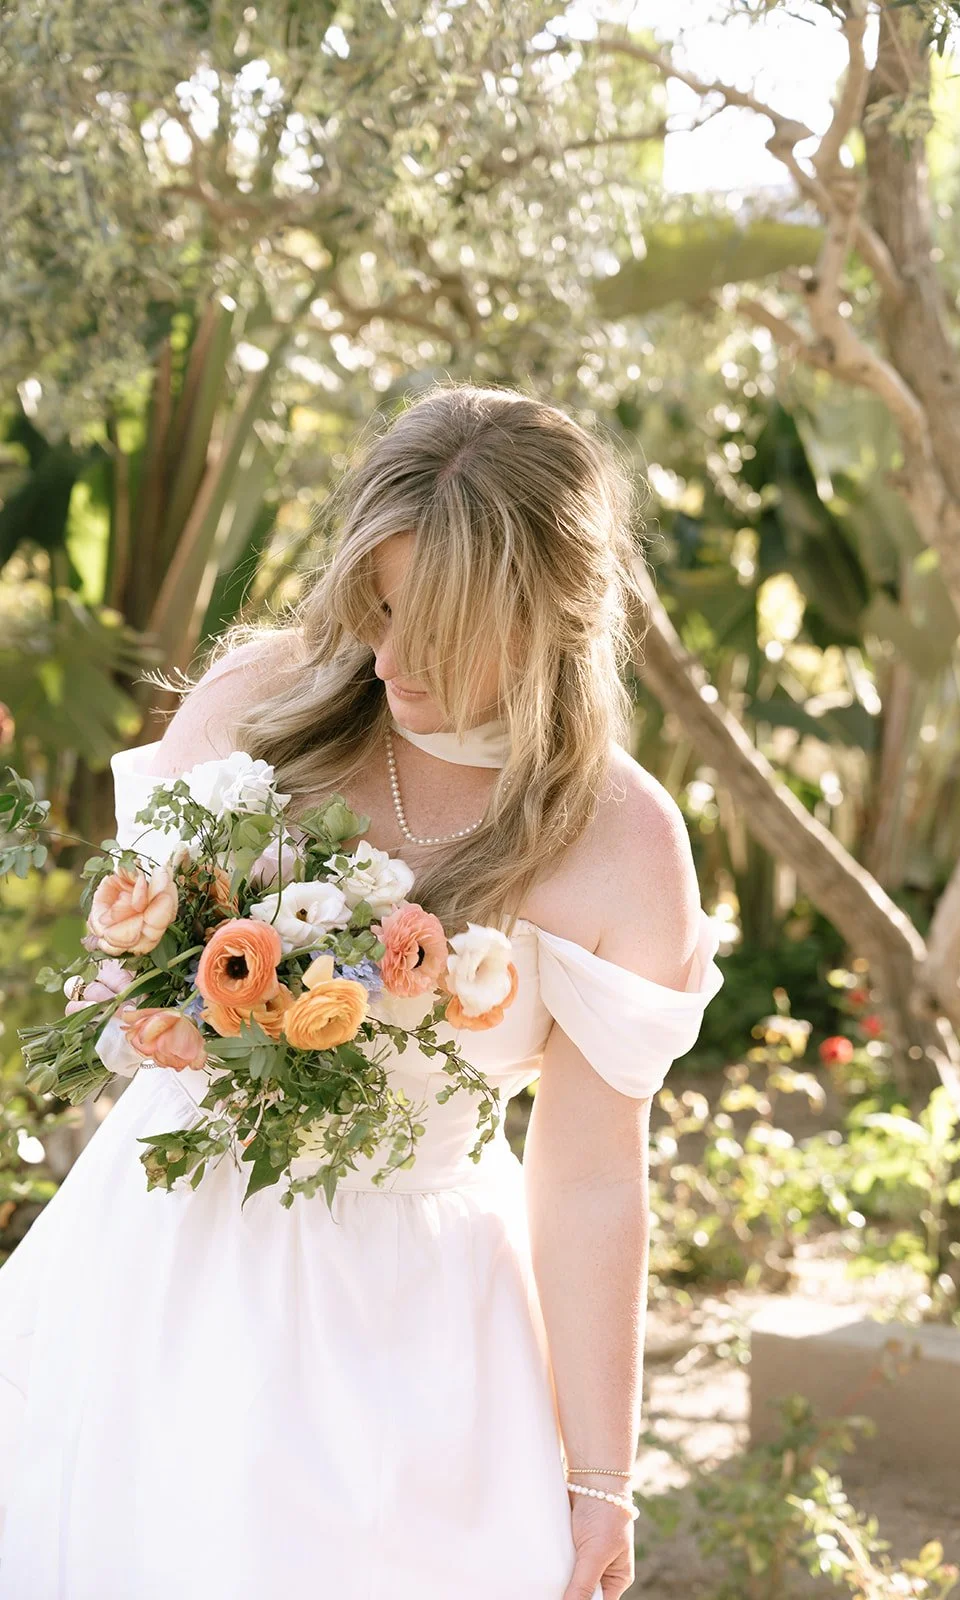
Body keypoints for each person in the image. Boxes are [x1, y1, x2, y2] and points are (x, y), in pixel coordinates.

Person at [0, 382, 724, 1599]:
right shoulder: (259, 709)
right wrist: (183, 1004)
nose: (388, 660)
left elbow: (593, 1171)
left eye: (435, 627)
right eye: (376, 606)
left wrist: (600, 1478)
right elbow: (125, 981)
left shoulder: (620, 843)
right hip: (166, 1276)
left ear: (553, 613)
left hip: (420, 1329)